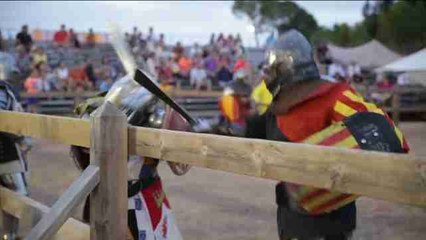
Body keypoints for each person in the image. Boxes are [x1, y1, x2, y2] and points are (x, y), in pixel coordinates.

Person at [245, 29, 409, 240]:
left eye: (271, 70)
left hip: (332, 216)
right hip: (290, 215)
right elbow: (252, 134)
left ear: (285, 68)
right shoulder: (278, 105)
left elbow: (379, 129)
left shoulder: (334, 96)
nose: (266, 77)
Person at [70, 75, 190, 239]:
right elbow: (83, 148)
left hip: (151, 193)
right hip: (124, 199)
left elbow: (180, 154)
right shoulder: (94, 113)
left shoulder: (153, 120)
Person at [0, 78, 32, 240]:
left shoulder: (5, 90)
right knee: (18, 194)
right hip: (5, 155)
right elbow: (4, 120)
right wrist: (21, 138)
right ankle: (9, 236)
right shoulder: (2, 92)